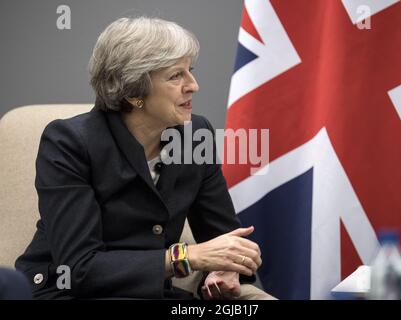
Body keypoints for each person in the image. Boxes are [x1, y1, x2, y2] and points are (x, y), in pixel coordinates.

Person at [15, 16, 262, 300]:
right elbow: (79, 268)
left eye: (189, 71)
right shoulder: (68, 142)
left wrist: (226, 267)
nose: (193, 85)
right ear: (134, 92)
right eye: (175, 75)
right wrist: (186, 257)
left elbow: (225, 237)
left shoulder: (194, 136)